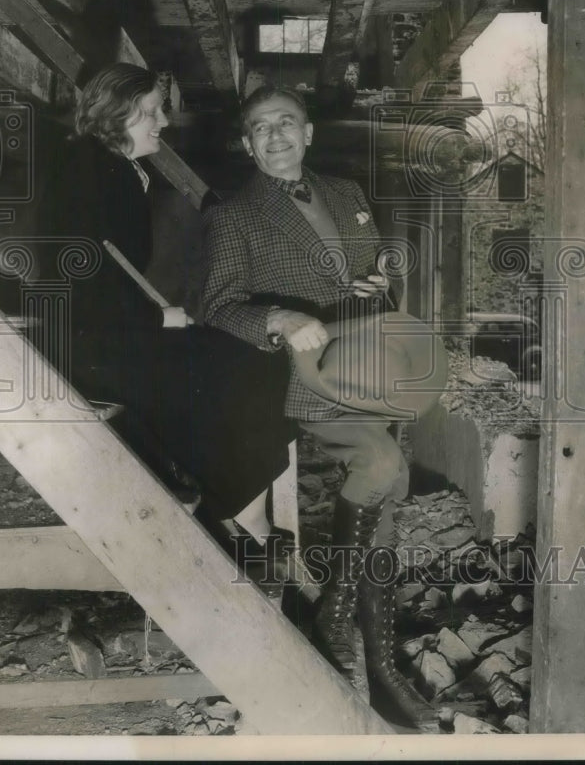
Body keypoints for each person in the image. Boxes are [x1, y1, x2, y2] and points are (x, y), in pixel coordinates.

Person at [202, 85, 439, 729]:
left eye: (287, 124)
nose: (276, 136)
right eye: (260, 128)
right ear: (246, 143)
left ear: (307, 134)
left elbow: (366, 269)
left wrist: (379, 280)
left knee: (388, 492)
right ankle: (334, 612)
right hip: (300, 376)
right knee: (380, 461)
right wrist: (278, 314)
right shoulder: (233, 215)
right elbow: (218, 307)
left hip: (366, 363)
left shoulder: (347, 194)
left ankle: (383, 667)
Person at [36, 63, 293, 544]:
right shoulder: (90, 171)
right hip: (88, 346)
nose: (164, 122)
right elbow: (75, 283)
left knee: (250, 360)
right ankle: (243, 512)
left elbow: (105, 271)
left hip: (108, 333)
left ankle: (240, 506)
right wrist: (157, 317)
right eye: (152, 111)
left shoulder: (114, 169)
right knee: (243, 364)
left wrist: (159, 317)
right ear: (120, 112)